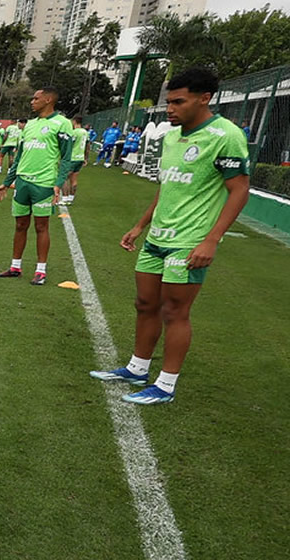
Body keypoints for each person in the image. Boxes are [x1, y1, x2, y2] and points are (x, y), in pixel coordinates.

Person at [90, 68, 250, 405]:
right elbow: (169, 187)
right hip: (157, 239)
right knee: (145, 304)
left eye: (179, 101)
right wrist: (140, 226)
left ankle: (165, 385)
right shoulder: (172, 137)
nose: (170, 109)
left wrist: (211, 239)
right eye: (169, 102)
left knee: (175, 312)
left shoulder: (225, 135)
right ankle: (137, 368)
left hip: (189, 242)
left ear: (204, 99)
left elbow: (239, 190)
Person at [0, 87, 74, 286]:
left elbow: (66, 157)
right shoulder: (29, 125)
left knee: (41, 226)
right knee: (20, 225)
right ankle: (15, 267)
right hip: (22, 182)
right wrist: (6, 181)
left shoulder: (62, 124)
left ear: (48, 100)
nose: (32, 101)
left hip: (44, 184)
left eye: (36, 98)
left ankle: (40, 271)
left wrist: (59, 182)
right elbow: (20, 156)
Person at [63, 115, 89, 204]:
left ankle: (65, 198)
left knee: (64, 177)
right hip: (80, 158)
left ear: (74, 121)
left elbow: (70, 145)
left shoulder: (74, 132)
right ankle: (71, 197)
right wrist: (86, 157)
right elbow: (87, 146)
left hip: (72, 158)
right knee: (74, 179)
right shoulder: (85, 132)